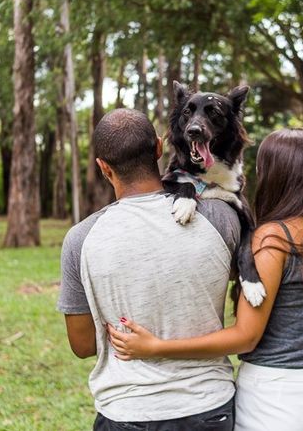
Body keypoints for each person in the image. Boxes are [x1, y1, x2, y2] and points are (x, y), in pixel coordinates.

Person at [109, 127, 303, 431]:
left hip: (276, 399)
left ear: (273, 174)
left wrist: (157, 347)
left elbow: (246, 336)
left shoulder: (274, 239)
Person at [57, 108, 244, 430]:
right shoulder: (220, 217)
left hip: (126, 412)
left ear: (103, 167)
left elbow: (84, 345)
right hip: (210, 408)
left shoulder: (80, 239)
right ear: (159, 148)